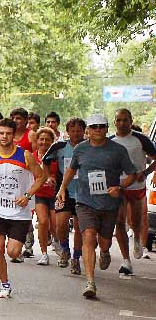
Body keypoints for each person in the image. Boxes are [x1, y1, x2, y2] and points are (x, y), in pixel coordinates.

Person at [56, 113, 136, 298]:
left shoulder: (117, 150)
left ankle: (106, 251)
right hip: (85, 201)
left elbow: (132, 174)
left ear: (107, 128)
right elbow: (71, 169)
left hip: (109, 204)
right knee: (88, 236)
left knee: (104, 240)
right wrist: (62, 189)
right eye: (94, 127)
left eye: (101, 126)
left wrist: (119, 186)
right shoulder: (81, 149)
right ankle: (90, 282)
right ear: (88, 131)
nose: (98, 130)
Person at [0, 118, 46, 298]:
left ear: (14, 135)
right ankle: (5, 285)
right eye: (1, 133)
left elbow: (41, 177)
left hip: (19, 211)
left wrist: (27, 195)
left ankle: (21, 243)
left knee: (13, 251)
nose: (4, 137)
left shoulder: (25, 155)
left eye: (8, 133)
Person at [110, 108, 156, 274]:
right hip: (119, 186)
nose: (122, 123)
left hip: (136, 187)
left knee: (135, 222)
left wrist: (145, 173)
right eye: (119, 120)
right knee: (119, 222)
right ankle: (126, 260)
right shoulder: (110, 141)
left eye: (125, 120)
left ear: (131, 121)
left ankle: (136, 237)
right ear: (114, 122)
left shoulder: (141, 139)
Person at [42, 117, 86, 273]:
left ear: (84, 131)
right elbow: (45, 161)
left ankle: (76, 258)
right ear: (67, 132)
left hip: (83, 192)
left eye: (79, 131)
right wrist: (49, 177)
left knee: (80, 227)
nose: (76, 134)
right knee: (60, 224)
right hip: (64, 191)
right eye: (72, 131)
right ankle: (65, 248)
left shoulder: (89, 146)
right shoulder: (59, 146)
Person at [33, 127, 58, 266]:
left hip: (54, 194)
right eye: (41, 139)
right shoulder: (31, 156)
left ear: (52, 142)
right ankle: (43, 253)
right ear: (37, 141)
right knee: (43, 222)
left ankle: (58, 241)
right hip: (39, 194)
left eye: (47, 140)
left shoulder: (56, 156)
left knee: (55, 225)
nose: (43, 142)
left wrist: (53, 178)